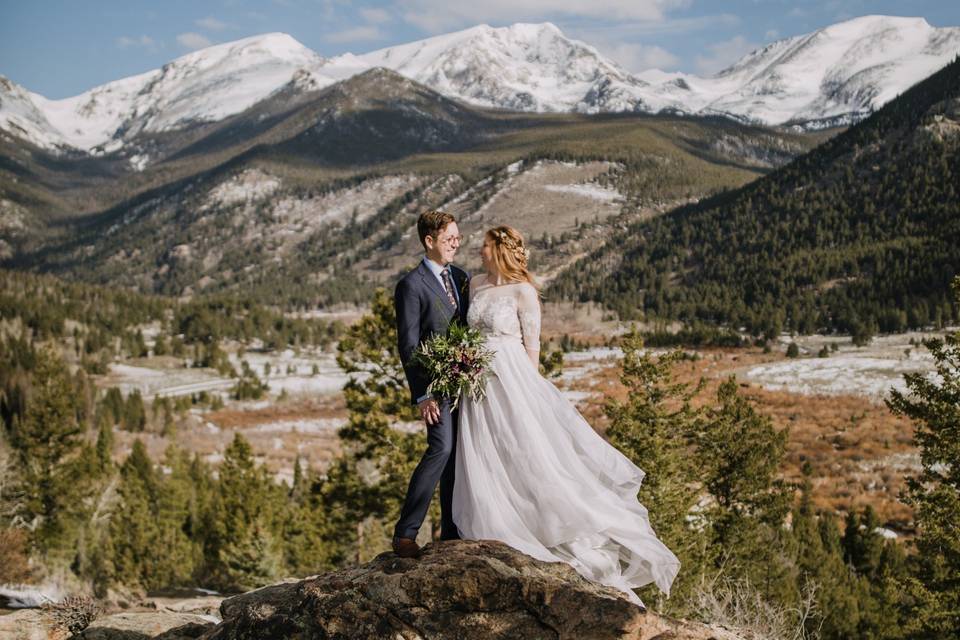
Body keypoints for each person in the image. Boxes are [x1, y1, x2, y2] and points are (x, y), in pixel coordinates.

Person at [452, 225, 679, 607]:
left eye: (486, 246)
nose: (480, 251)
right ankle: (494, 519)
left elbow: (533, 346)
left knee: (524, 450)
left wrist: (530, 393)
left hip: (511, 378)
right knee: (484, 451)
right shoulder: (474, 285)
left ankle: (548, 523)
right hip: (478, 381)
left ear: (501, 250)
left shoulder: (524, 291)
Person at [391, 210, 470, 558]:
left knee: (458, 458)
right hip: (434, 386)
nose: (456, 242)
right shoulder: (411, 285)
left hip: (467, 384)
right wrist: (422, 394)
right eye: (448, 237)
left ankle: (452, 531)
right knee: (441, 448)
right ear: (429, 241)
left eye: (457, 236)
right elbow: (408, 344)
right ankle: (405, 533)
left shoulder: (462, 277)